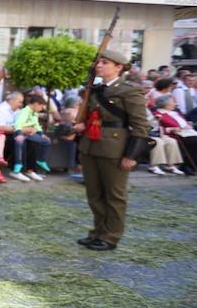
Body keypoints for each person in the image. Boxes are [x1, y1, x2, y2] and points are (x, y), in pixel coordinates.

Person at [73, 50, 151, 251]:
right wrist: (82, 124)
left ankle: (111, 236)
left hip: (115, 148)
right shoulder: (95, 89)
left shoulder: (129, 90)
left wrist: (131, 155)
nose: (98, 65)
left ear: (118, 67)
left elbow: (141, 126)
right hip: (91, 145)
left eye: (105, 62)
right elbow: (93, 116)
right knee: (94, 194)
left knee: (114, 196)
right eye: (98, 62)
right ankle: (97, 232)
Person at [10, 94, 51, 181]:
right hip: (21, 133)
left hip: (30, 134)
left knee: (46, 141)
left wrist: (41, 134)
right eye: (41, 106)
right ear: (36, 104)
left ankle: (41, 160)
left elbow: (36, 125)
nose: (42, 109)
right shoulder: (24, 111)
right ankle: (18, 166)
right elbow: (18, 124)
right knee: (19, 142)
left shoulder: (34, 113)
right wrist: (19, 134)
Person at [154, 93, 197, 173]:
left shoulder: (175, 112)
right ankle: (188, 166)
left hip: (188, 132)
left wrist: (188, 124)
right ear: (166, 104)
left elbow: (183, 122)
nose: (175, 103)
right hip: (175, 134)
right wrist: (176, 128)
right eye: (173, 101)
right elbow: (158, 127)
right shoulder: (159, 114)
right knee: (194, 141)